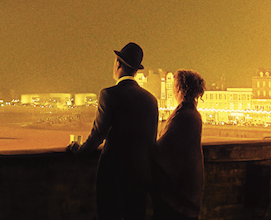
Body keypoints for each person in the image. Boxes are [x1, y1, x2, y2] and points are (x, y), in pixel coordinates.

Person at [68, 42, 159, 220]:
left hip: (114, 175)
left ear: (118, 64)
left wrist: (80, 150)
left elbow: (98, 133)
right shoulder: (151, 100)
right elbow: (151, 142)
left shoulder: (109, 94)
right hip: (140, 176)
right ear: (136, 70)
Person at [152, 70, 206, 219]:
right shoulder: (193, 114)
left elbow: (163, 149)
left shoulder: (184, 115)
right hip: (190, 186)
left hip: (179, 191)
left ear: (179, 88)